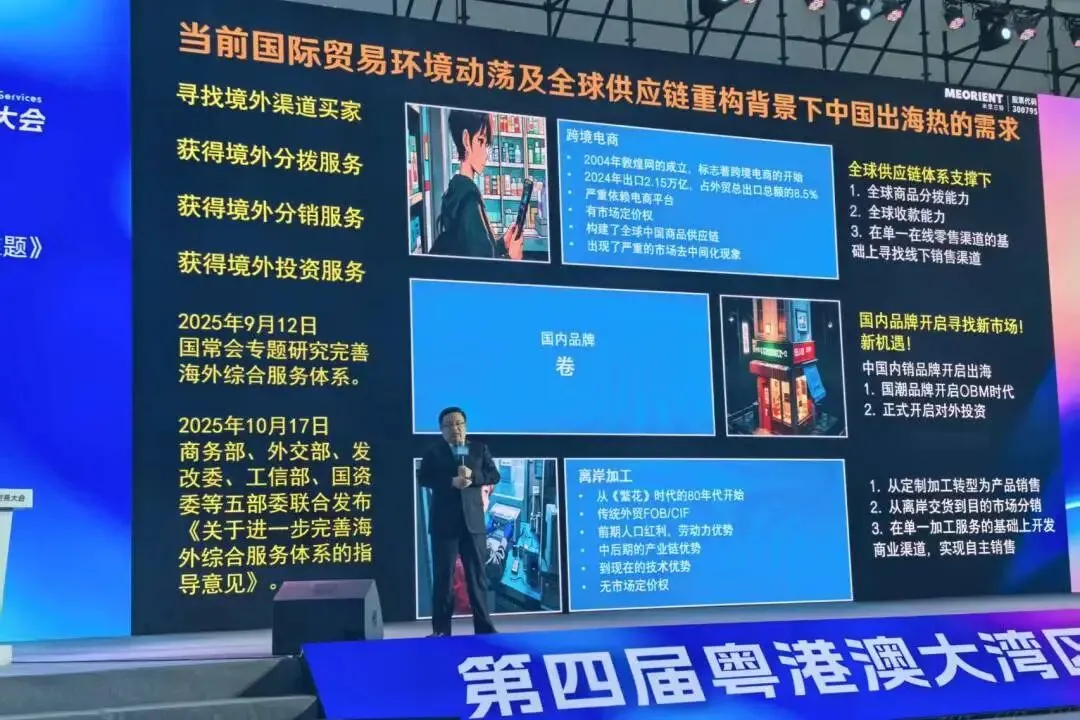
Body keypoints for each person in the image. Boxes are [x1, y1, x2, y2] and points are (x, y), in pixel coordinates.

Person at [418, 406, 501, 636]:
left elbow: (494, 475)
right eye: (449, 425)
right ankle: (441, 631)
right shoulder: (433, 452)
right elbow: (423, 478)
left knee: (477, 578)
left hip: (473, 523)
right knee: (443, 578)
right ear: (441, 430)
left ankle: (484, 629)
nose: (455, 428)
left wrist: (474, 477)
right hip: (444, 524)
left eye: (459, 423)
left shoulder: (479, 449)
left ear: (465, 426)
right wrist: (450, 482)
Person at [430, 110, 524, 260]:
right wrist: (512, 258)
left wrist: (502, 244)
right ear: (466, 140)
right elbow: (484, 269)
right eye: (481, 141)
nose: (486, 154)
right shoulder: (470, 201)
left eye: (486, 144)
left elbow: (473, 250)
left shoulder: (455, 190)